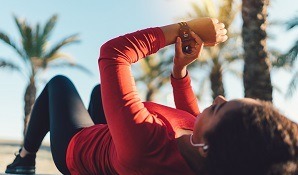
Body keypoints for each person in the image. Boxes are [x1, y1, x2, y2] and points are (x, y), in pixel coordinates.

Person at [5, 17, 298, 175]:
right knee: (98, 93)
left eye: (220, 109)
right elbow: (191, 117)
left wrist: (187, 27)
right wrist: (179, 71)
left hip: (76, 151)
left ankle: (24, 160)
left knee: (59, 83)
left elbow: (114, 54)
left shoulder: (146, 145)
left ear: (206, 146)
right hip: (117, 146)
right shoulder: (206, 158)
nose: (219, 98)